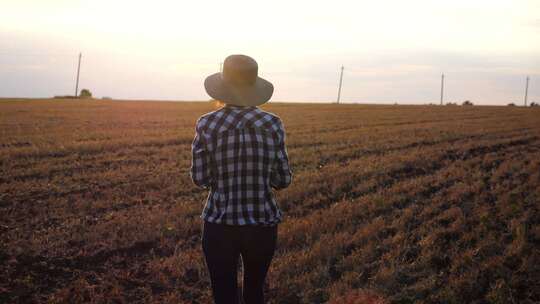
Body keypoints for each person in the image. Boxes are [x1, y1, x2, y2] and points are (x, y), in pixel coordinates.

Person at [190, 54, 293, 304]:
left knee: (224, 295)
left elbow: (201, 178)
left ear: (222, 87)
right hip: (262, 223)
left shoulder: (206, 124)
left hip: (219, 223)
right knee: (255, 292)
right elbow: (282, 179)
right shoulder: (273, 124)